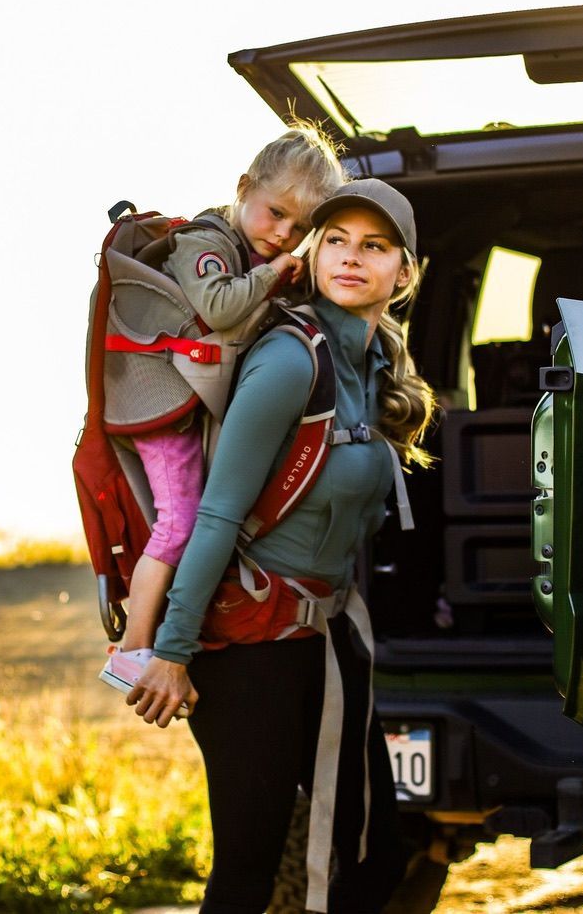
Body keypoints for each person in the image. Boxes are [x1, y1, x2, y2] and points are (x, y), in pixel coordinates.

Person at [125, 178, 437, 914]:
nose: (351, 259)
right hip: (248, 651)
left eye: (374, 246)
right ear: (313, 252)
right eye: (335, 241)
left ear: (405, 270)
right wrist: (171, 652)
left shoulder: (374, 366)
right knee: (246, 876)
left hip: (325, 640)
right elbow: (218, 514)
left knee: (375, 858)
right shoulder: (290, 360)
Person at [99, 120, 344, 694]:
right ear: (243, 188)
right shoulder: (204, 244)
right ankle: (134, 648)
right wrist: (274, 274)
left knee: (192, 515)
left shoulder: (246, 248)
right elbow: (220, 305)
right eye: (274, 213)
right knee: (181, 520)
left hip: (179, 401)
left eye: (300, 228)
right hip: (157, 403)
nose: (283, 234)